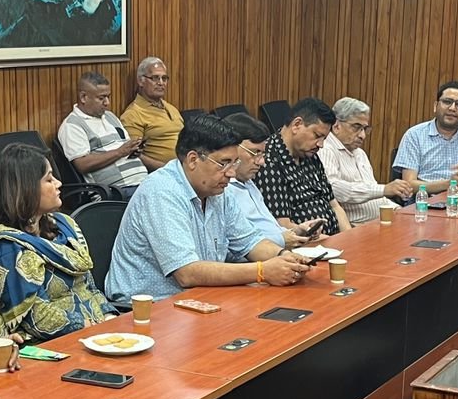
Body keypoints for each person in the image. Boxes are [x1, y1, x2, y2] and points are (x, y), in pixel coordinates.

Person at [106, 114, 310, 301]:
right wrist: (261, 271)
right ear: (193, 160)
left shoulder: (218, 191)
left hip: (200, 297)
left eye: (235, 163)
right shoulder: (162, 192)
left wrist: (284, 257)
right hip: (149, 307)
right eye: (224, 163)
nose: (231, 173)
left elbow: (250, 242)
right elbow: (187, 273)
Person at [0, 144, 117, 344]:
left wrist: (110, 317)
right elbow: (36, 317)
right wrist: (92, 327)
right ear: (25, 189)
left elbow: (89, 287)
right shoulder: (7, 247)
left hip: (93, 333)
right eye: (49, 179)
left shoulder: (64, 227)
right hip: (50, 345)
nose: (59, 183)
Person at [255, 97, 351, 236]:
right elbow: (282, 225)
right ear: (297, 125)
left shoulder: (310, 155)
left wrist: (348, 237)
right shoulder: (269, 160)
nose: (321, 145)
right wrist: (327, 241)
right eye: (317, 136)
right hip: (304, 244)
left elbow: (334, 205)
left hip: (332, 239)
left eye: (324, 139)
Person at [223, 112, 321, 248]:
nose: (261, 162)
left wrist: (297, 231)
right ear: (231, 149)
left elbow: (269, 227)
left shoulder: (248, 182)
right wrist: (281, 239)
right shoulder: (223, 190)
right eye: (255, 153)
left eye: (263, 154)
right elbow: (239, 242)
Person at [319, 97, 412, 225]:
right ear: (336, 126)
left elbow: (375, 197)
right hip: (354, 227)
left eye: (365, 129)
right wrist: (384, 189)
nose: (362, 135)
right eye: (356, 127)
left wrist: (398, 210)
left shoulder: (360, 153)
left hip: (379, 222)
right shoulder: (326, 149)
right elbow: (333, 188)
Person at [56, 70, 147, 199]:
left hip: (143, 182)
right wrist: (120, 152)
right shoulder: (72, 125)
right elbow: (82, 164)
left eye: (108, 97)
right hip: (117, 191)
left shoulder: (110, 117)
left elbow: (125, 149)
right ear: (83, 97)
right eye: (101, 98)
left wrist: (133, 150)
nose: (107, 103)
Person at [393, 81, 458, 196]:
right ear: (435, 106)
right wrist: (449, 184)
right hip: (427, 200)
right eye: (447, 102)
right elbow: (409, 185)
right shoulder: (414, 135)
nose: (452, 108)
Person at [120, 56, 184, 170]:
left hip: (189, 166)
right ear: (141, 81)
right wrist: (167, 170)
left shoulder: (171, 108)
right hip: (165, 172)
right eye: (155, 78)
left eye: (164, 78)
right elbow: (134, 156)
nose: (161, 83)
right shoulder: (133, 114)